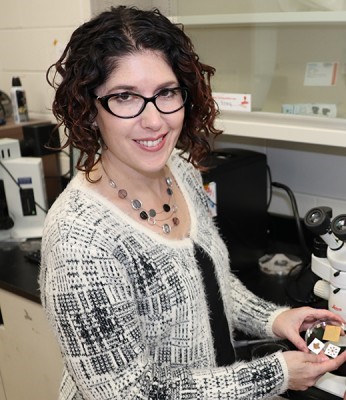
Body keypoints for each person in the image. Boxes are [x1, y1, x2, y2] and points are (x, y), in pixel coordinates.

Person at [40, 5, 346, 400]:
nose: (154, 121)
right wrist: (274, 375)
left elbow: (207, 283)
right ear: (90, 110)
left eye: (166, 92)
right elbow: (126, 394)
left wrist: (275, 319)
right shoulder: (79, 239)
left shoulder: (179, 171)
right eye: (125, 97)